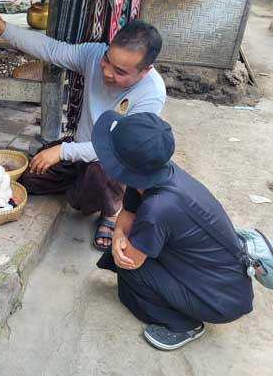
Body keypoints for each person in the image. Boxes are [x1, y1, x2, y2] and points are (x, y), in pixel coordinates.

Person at [0, 2, 166, 251]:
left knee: (99, 173)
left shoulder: (151, 93)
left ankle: (111, 211)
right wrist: (2, 27)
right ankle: (78, 186)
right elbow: (51, 49)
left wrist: (62, 151)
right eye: (107, 60)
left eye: (120, 71)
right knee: (30, 179)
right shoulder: (94, 54)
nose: (107, 72)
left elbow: (119, 150)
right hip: (78, 148)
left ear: (144, 71)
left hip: (108, 162)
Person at [91, 111, 253, 350]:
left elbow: (131, 260)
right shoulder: (153, 173)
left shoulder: (158, 208)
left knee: (128, 273)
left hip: (220, 299)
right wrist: (118, 234)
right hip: (217, 281)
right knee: (126, 249)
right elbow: (127, 213)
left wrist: (120, 243)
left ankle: (183, 324)